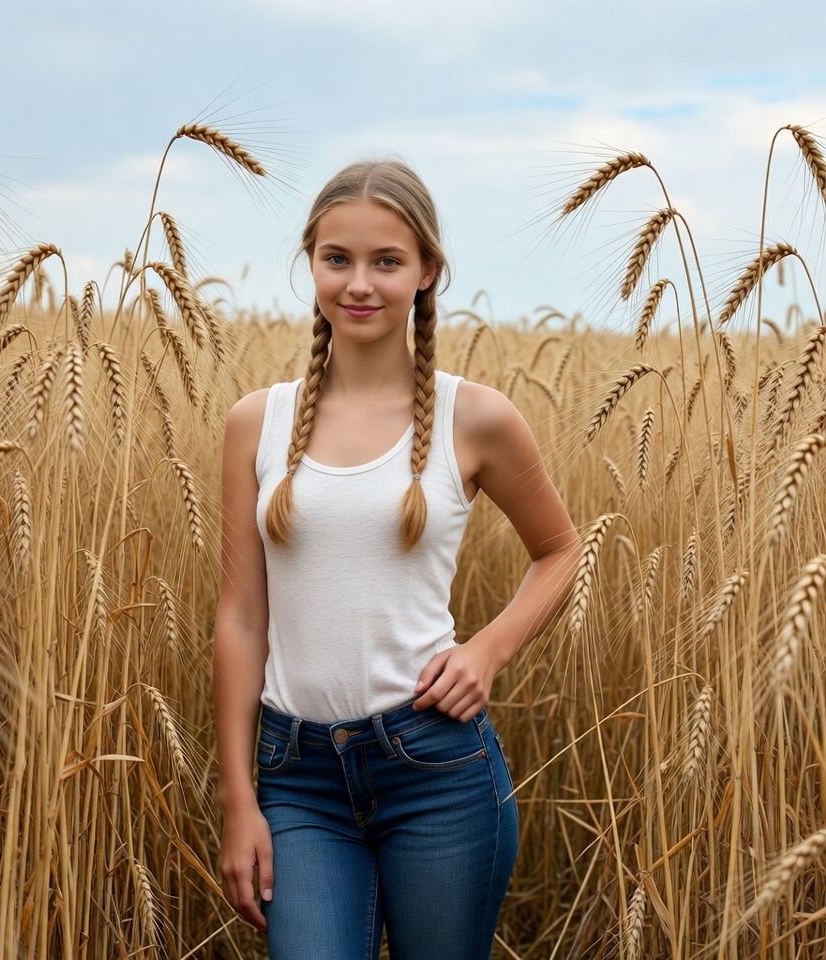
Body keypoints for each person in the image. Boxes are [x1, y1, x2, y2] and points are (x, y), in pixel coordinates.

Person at [214, 158, 581, 960]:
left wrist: (489, 649)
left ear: (426, 273)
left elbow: (559, 550)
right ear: (311, 262)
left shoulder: (476, 417)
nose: (360, 284)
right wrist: (240, 798)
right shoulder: (257, 422)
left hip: (436, 769)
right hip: (295, 777)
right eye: (336, 258)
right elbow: (241, 616)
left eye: (387, 261)